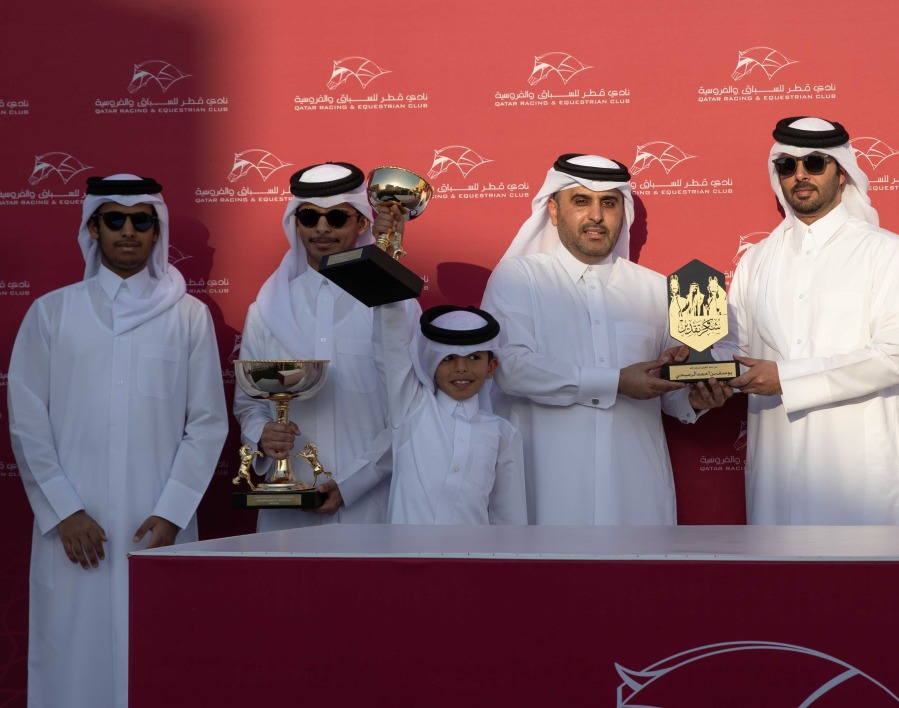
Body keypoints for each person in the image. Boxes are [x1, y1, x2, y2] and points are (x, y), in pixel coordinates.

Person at [8, 174, 227, 707]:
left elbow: (207, 423)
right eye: (114, 220)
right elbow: (27, 421)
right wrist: (64, 510)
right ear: (92, 228)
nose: (127, 231)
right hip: (72, 530)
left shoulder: (190, 316)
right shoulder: (51, 313)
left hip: (158, 525)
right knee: (70, 662)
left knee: (159, 653)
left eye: (140, 220)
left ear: (157, 231)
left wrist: (174, 511)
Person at [481, 153, 731, 524]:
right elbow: (510, 369)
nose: (596, 215)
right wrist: (616, 382)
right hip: (546, 486)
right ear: (553, 210)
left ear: (622, 211)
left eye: (609, 203)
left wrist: (696, 396)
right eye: (581, 201)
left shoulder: (655, 288)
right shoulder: (519, 278)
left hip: (635, 489)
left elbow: (669, 394)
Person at [719, 117, 899, 524]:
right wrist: (702, 373)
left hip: (859, 476)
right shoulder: (755, 260)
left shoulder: (885, 251)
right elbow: (733, 350)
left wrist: (787, 379)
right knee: (780, 586)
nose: (799, 176)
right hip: (777, 474)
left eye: (814, 163)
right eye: (787, 165)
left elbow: (894, 357)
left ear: (841, 171)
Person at [233, 162, 419, 531]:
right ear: (295, 223)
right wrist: (262, 436)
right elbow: (249, 404)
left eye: (336, 217)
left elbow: (409, 411)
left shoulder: (393, 305)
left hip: (370, 506)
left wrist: (353, 484)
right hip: (285, 510)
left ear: (361, 223)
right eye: (309, 217)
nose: (321, 228)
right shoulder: (267, 308)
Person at [373, 302, 526, 524]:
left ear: (491, 366)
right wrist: (388, 302)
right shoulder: (411, 409)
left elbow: (510, 519)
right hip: (409, 557)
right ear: (430, 363)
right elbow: (391, 348)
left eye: (474, 357)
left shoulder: (503, 433)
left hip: (472, 558)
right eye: (448, 358)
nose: (461, 367)